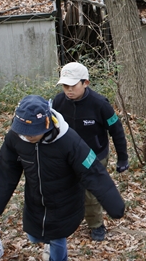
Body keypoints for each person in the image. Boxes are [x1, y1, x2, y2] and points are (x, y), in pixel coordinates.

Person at [0, 95, 125, 261]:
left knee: (57, 239)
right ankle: (47, 243)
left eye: (32, 133)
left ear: (46, 124)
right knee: (34, 237)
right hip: (35, 201)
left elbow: (93, 171)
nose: (27, 137)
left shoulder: (69, 140)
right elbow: (5, 168)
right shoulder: (16, 138)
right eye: (23, 132)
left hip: (64, 203)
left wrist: (114, 204)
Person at [52, 62, 129, 241]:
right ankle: (69, 217)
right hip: (68, 155)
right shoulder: (58, 102)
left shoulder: (100, 104)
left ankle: (96, 225)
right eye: (65, 86)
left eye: (73, 86)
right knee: (66, 187)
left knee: (90, 193)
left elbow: (116, 130)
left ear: (85, 83)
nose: (68, 90)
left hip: (94, 155)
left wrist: (122, 158)